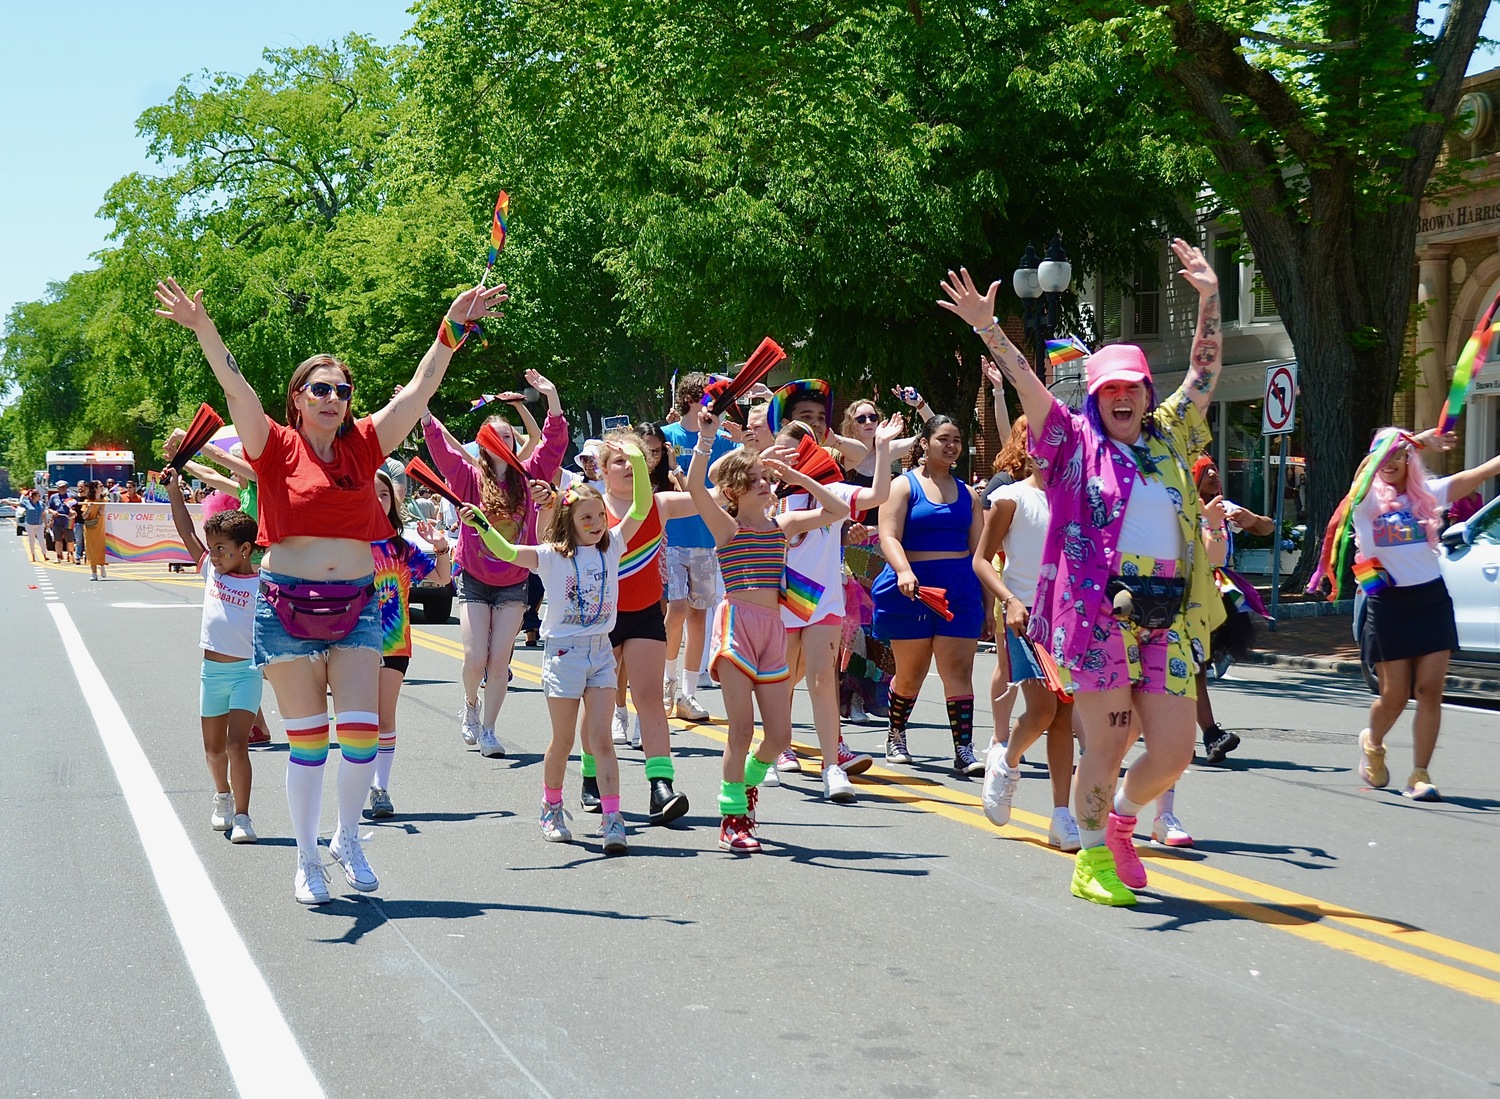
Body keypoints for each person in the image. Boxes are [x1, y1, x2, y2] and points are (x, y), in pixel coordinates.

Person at [154, 273, 506, 905]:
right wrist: (203, 327)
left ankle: (348, 839)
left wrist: (453, 329)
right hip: (287, 608)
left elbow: (422, 388)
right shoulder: (274, 446)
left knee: (364, 734)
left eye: (343, 390)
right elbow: (234, 386)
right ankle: (308, 856)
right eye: (321, 389)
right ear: (298, 398)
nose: (335, 398)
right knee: (310, 743)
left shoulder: (365, 445)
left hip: (359, 609)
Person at [941, 237, 1223, 907]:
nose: (1122, 397)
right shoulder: (1071, 440)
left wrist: (1210, 298)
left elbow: (1205, 375)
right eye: (1110, 388)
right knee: (1112, 736)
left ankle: (1120, 818)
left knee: (1176, 749)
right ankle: (1092, 855)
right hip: (1098, 616)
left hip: (1167, 615)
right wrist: (987, 327)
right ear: (1095, 396)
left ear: (1146, 393)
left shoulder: (1170, 433)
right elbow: (1027, 385)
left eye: (1133, 387)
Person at [462, 444, 652, 853]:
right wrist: (481, 525)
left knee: (601, 740)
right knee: (563, 742)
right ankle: (551, 806)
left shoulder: (614, 545)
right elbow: (510, 552)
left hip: (601, 652)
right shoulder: (550, 556)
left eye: (600, 515)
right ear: (569, 520)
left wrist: (635, 457)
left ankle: (612, 818)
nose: (597, 523)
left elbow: (641, 506)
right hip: (563, 654)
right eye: (587, 517)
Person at [685, 405, 851, 852]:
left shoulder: (785, 524)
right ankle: (732, 816)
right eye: (756, 478)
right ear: (737, 490)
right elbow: (697, 491)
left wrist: (800, 479)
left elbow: (836, 508)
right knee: (741, 730)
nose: (765, 482)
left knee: (778, 737)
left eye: (766, 478)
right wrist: (706, 438)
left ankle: (749, 783)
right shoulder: (727, 526)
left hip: (773, 631)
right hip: (736, 624)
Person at [1313, 427, 1500, 802]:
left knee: (1430, 690)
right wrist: (1419, 438)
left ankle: (1420, 773)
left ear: (1410, 461)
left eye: (1401, 455)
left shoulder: (1425, 495)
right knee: (1394, 696)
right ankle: (1374, 741)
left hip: (1431, 600)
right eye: (1387, 455)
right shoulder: (1364, 501)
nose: (1392, 462)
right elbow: (1367, 468)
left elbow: (1475, 476)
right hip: (1388, 605)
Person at [423, 374, 567, 758]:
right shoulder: (470, 478)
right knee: (475, 658)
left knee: (500, 661)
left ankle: (489, 729)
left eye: (509, 436)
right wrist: (423, 412)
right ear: (484, 444)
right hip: (473, 578)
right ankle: (470, 707)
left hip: (513, 582)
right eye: (496, 436)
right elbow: (442, 452)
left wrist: (551, 398)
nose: (504, 442)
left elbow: (554, 445)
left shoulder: (529, 476)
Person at [769, 406, 903, 802]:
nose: (785, 461)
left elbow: (878, 495)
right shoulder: (768, 499)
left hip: (824, 599)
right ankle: (778, 747)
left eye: (791, 452)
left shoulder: (832, 491)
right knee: (781, 680)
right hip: (783, 598)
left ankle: (831, 767)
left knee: (822, 680)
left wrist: (880, 447)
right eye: (779, 454)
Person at [972, 415, 1080, 850]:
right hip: (1025, 617)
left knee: (1065, 718)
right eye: (1039, 444)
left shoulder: (1076, 501)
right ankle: (1007, 761)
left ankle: (1060, 815)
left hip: (1070, 619)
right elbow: (981, 560)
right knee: (1041, 711)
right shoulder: (1010, 498)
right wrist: (1009, 601)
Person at [871, 416, 987, 775]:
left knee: (959, 672)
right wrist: (905, 570)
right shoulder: (903, 487)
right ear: (924, 443)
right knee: (912, 674)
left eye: (956, 439)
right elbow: (888, 535)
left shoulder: (969, 495)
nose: (951, 446)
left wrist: (989, 604)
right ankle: (896, 734)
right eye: (943, 439)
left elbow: (979, 551)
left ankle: (964, 749)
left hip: (959, 589)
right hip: (913, 589)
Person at [594, 429, 697, 824]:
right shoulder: (590, 506)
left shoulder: (661, 503)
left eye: (634, 459)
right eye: (618, 460)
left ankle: (660, 786)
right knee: (599, 701)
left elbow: (715, 497)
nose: (627, 467)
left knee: (650, 698)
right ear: (603, 469)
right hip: (600, 618)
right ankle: (591, 774)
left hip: (644, 613)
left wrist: (706, 444)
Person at [164, 467, 262, 844]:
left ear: (245, 550)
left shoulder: (262, 583)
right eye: (213, 548)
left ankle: (243, 816)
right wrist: (174, 489)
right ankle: (222, 796)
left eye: (222, 548)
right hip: (212, 673)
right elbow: (186, 530)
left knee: (238, 744)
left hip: (246, 673)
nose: (215, 555)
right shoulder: (211, 572)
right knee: (214, 750)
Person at [369, 469, 451, 818]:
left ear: (394, 501)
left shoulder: (401, 549)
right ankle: (357, 782)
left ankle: (380, 788)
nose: (377, 499)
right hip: (350, 646)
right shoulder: (344, 545)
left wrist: (441, 547)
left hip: (393, 645)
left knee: (384, 719)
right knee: (357, 722)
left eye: (384, 494)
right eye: (369, 493)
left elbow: (441, 577)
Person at [660, 374, 738, 722]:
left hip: (707, 543)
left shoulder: (721, 441)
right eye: (711, 398)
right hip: (673, 539)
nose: (715, 405)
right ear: (694, 399)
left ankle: (688, 695)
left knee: (698, 617)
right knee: (675, 610)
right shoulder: (668, 437)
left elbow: (733, 482)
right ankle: (667, 684)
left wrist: (743, 443)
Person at [1189, 456, 1272, 763]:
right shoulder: (1183, 505)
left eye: (1215, 469)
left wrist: (1250, 519)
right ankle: (1206, 733)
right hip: (1186, 595)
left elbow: (1267, 528)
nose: (1214, 474)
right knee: (1192, 666)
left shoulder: (1224, 508)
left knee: (1196, 665)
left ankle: (1205, 733)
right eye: (1205, 470)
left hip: (1217, 597)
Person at [77, 482, 108, 580]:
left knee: (102, 548)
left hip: (102, 528)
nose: (102, 488)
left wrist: (104, 512)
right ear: (94, 488)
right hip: (90, 529)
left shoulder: (104, 500)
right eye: (100, 486)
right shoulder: (88, 500)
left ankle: (102, 566)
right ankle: (94, 573)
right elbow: (84, 516)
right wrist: (89, 508)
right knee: (91, 550)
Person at [48, 482, 74, 564]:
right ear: (58, 488)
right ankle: (58, 556)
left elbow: (73, 507)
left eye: (64, 487)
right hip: (57, 521)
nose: (63, 489)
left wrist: (72, 511)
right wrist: (53, 512)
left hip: (68, 520)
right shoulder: (53, 497)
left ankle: (71, 555)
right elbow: (49, 508)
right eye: (61, 487)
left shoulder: (70, 496)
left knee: (70, 540)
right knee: (58, 540)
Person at [20, 488, 46, 563]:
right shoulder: (27, 503)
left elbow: (43, 514)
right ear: (34, 496)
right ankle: (33, 556)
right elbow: (17, 504)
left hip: (39, 524)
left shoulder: (41, 504)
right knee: (32, 540)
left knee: (41, 540)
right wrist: (6, 501)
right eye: (38, 495)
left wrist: (46, 524)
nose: (39, 497)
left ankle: (44, 555)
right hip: (30, 524)